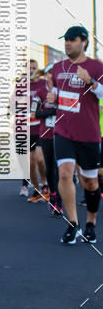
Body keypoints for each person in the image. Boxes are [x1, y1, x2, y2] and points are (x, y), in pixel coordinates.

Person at [47, 25, 103, 244]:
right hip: (63, 130)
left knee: (90, 183)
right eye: (66, 39)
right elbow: (59, 94)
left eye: (72, 39)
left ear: (84, 42)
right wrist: (53, 98)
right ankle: (73, 224)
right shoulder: (58, 67)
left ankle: (90, 222)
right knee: (64, 173)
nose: (68, 43)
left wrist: (90, 81)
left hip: (88, 134)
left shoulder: (96, 66)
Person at [35, 65, 61, 215]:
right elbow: (34, 114)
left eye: (54, 72)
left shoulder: (63, 90)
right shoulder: (40, 92)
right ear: (46, 75)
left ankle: (59, 201)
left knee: (60, 169)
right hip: (46, 134)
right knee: (50, 167)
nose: (52, 75)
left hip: (63, 134)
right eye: (50, 72)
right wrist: (53, 110)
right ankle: (53, 195)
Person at [27, 60, 48, 202]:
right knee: (31, 162)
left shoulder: (43, 84)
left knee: (40, 159)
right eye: (29, 68)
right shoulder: (21, 85)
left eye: (34, 68)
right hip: (26, 129)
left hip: (41, 127)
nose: (31, 70)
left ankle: (45, 184)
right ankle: (36, 190)